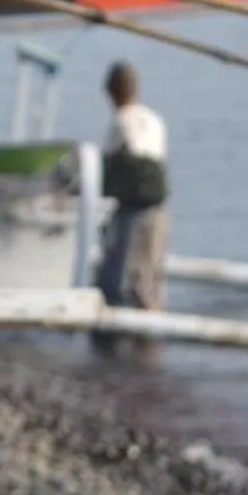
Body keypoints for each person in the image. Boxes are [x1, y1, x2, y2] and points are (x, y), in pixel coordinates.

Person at [93, 59, 169, 356]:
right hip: (159, 209)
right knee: (150, 280)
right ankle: (150, 350)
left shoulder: (120, 121)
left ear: (112, 94)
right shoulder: (154, 119)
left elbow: (107, 166)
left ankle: (122, 351)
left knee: (123, 280)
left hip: (133, 211)